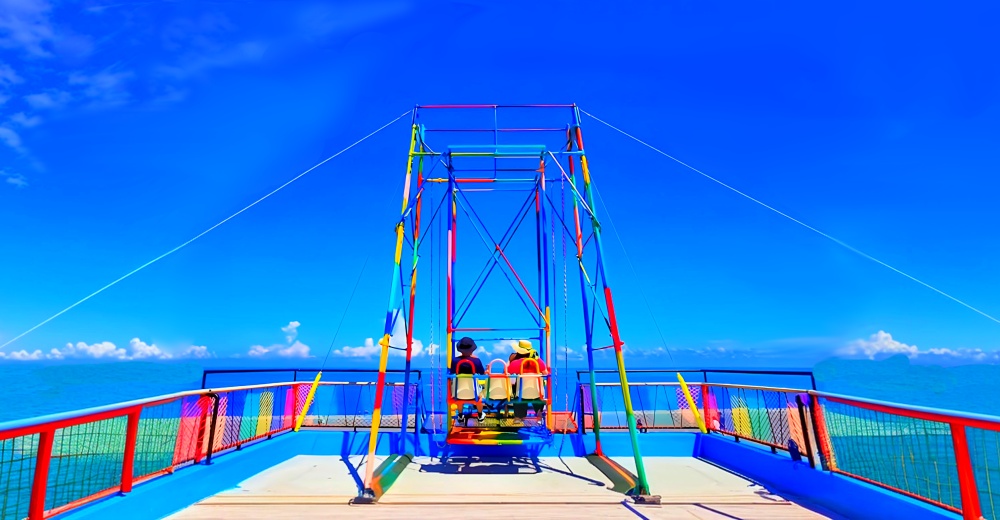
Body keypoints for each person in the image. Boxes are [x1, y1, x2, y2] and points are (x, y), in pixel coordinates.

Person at [451, 336, 486, 421]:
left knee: (459, 396)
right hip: (474, 393)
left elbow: (452, 373)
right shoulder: (476, 361)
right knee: (480, 394)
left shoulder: (455, 361)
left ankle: (460, 414)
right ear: (472, 349)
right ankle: (480, 414)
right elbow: (483, 374)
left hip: (457, 393)